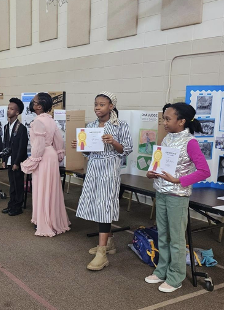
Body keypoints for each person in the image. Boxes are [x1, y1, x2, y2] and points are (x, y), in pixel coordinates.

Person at [145, 103, 211, 293]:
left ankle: (176, 277)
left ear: (181, 121)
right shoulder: (166, 139)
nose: (164, 122)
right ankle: (162, 270)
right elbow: (160, 164)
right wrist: (152, 173)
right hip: (162, 192)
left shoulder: (190, 142)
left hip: (177, 196)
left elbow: (204, 171)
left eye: (168, 119)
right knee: (163, 235)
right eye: (164, 118)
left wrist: (179, 180)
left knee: (176, 238)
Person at [71, 91, 133, 271]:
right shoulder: (91, 125)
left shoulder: (121, 125)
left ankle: (102, 253)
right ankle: (109, 243)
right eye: (96, 104)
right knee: (97, 204)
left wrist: (113, 142)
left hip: (109, 169)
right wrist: (81, 146)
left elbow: (127, 150)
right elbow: (89, 152)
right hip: (93, 168)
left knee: (105, 205)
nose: (98, 107)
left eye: (102, 104)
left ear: (111, 106)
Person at [21, 93, 71, 237]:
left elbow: (38, 146)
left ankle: (43, 221)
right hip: (51, 155)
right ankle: (53, 219)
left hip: (43, 156)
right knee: (51, 189)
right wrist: (59, 154)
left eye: (34, 101)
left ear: (39, 106)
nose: (32, 103)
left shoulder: (38, 122)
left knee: (42, 188)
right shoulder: (51, 120)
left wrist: (32, 161)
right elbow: (59, 141)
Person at [2, 98, 28, 216]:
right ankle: (11, 204)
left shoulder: (21, 128)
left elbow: (22, 148)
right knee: (11, 183)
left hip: (17, 161)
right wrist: (3, 159)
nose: (8, 111)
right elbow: (5, 144)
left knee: (18, 184)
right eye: (8, 108)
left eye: (12, 109)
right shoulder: (6, 127)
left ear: (17, 113)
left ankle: (18, 206)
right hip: (8, 159)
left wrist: (17, 162)